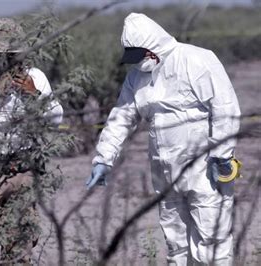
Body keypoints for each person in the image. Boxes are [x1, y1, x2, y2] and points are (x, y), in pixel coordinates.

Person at [86, 13, 241, 265]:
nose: (139, 64)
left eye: (141, 56)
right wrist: (104, 158)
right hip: (165, 173)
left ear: (154, 46)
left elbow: (225, 108)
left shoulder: (197, 59)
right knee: (175, 245)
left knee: (211, 244)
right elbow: (122, 116)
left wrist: (222, 154)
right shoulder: (137, 77)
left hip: (205, 171)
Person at [0, 17, 63, 263]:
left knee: (20, 243)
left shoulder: (34, 76)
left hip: (22, 169)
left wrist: (33, 95)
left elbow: (55, 118)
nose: (5, 61)